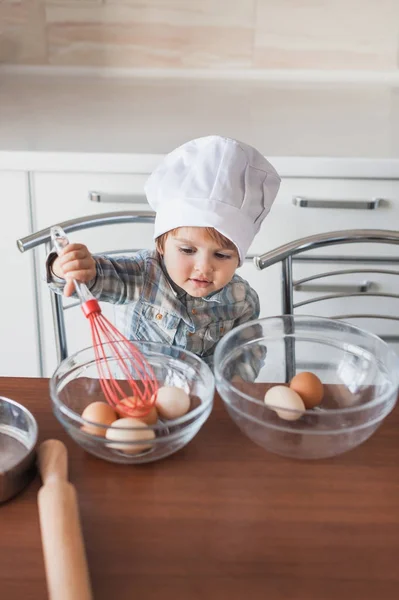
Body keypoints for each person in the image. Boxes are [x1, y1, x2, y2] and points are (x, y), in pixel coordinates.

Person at [46, 135, 281, 378]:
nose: (203, 267)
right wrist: (64, 268)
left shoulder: (242, 300)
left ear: (239, 258)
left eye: (221, 255)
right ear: (161, 245)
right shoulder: (140, 277)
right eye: (187, 250)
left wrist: (234, 387)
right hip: (140, 396)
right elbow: (89, 280)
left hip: (205, 401)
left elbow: (246, 353)